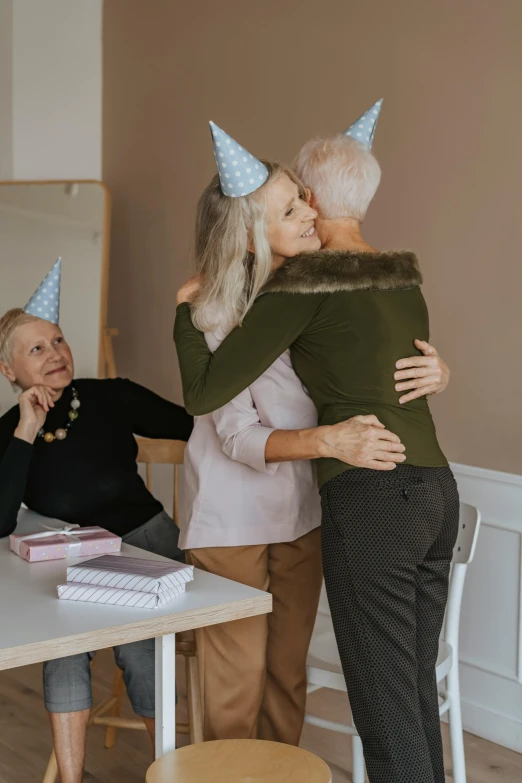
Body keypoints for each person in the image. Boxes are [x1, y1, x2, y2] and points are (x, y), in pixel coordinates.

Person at [175, 111, 456, 783]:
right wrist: (189, 311)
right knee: (401, 690)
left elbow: (209, 389)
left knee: (369, 700)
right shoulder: (389, 280)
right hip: (416, 492)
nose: (304, 210)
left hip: (356, 500)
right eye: (288, 204)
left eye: (304, 198)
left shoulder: (307, 286)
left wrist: (442, 371)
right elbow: (220, 406)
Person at [0, 260, 193, 783]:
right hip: (72, 559)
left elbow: (194, 426)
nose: (55, 354)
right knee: (61, 647)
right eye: (37, 349)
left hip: (145, 546)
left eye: (58, 341)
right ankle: (71, 778)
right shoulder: (9, 430)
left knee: (136, 643)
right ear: (10, 371)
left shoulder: (110, 395)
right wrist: (26, 430)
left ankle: (168, 772)